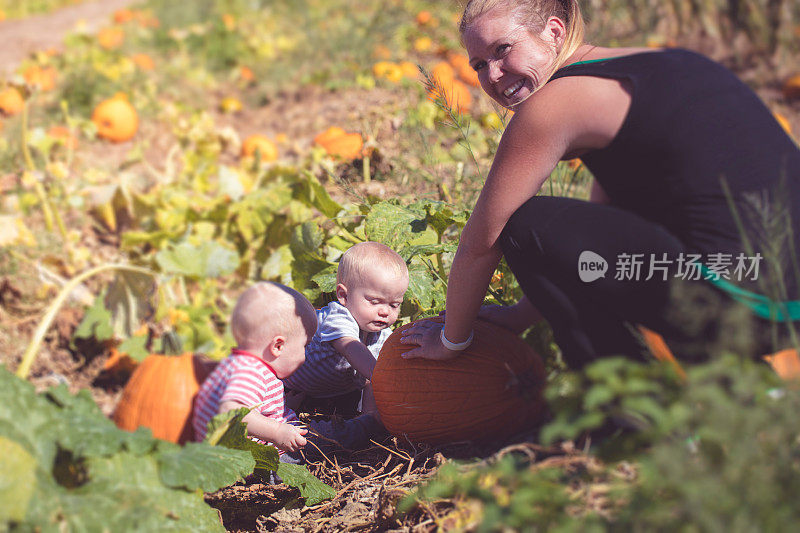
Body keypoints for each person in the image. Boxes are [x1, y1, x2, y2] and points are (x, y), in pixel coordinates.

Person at [399, 0, 800, 368]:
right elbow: (609, 217)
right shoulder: (660, 64)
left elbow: (480, 243)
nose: (493, 75)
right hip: (785, 305)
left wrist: (451, 340)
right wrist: (522, 314)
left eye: (502, 49)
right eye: (478, 65)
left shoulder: (552, 105)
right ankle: (723, 385)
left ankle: (627, 411)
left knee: (524, 226)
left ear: (554, 32)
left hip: (745, 305)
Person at [193, 281, 383, 458]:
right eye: (304, 346)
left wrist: (282, 407)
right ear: (278, 346)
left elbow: (253, 406)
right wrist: (277, 431)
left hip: (257, 450)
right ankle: (370, 426)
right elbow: (231, 411)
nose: (306, 354)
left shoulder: (242, 364)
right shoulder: (249, 371)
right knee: (326, 437)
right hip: (266, 456)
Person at [283, 241, 409, 412]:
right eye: (374, 302)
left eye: (394, 305)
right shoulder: (337, 317)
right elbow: (351, 347)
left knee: (375, 374)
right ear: (343, 295)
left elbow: (373, 378)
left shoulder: (382, 334)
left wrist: (369, 419)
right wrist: (385, 378)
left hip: (336, 392)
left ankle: (367, 419)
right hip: (291, 384)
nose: (385, 312)